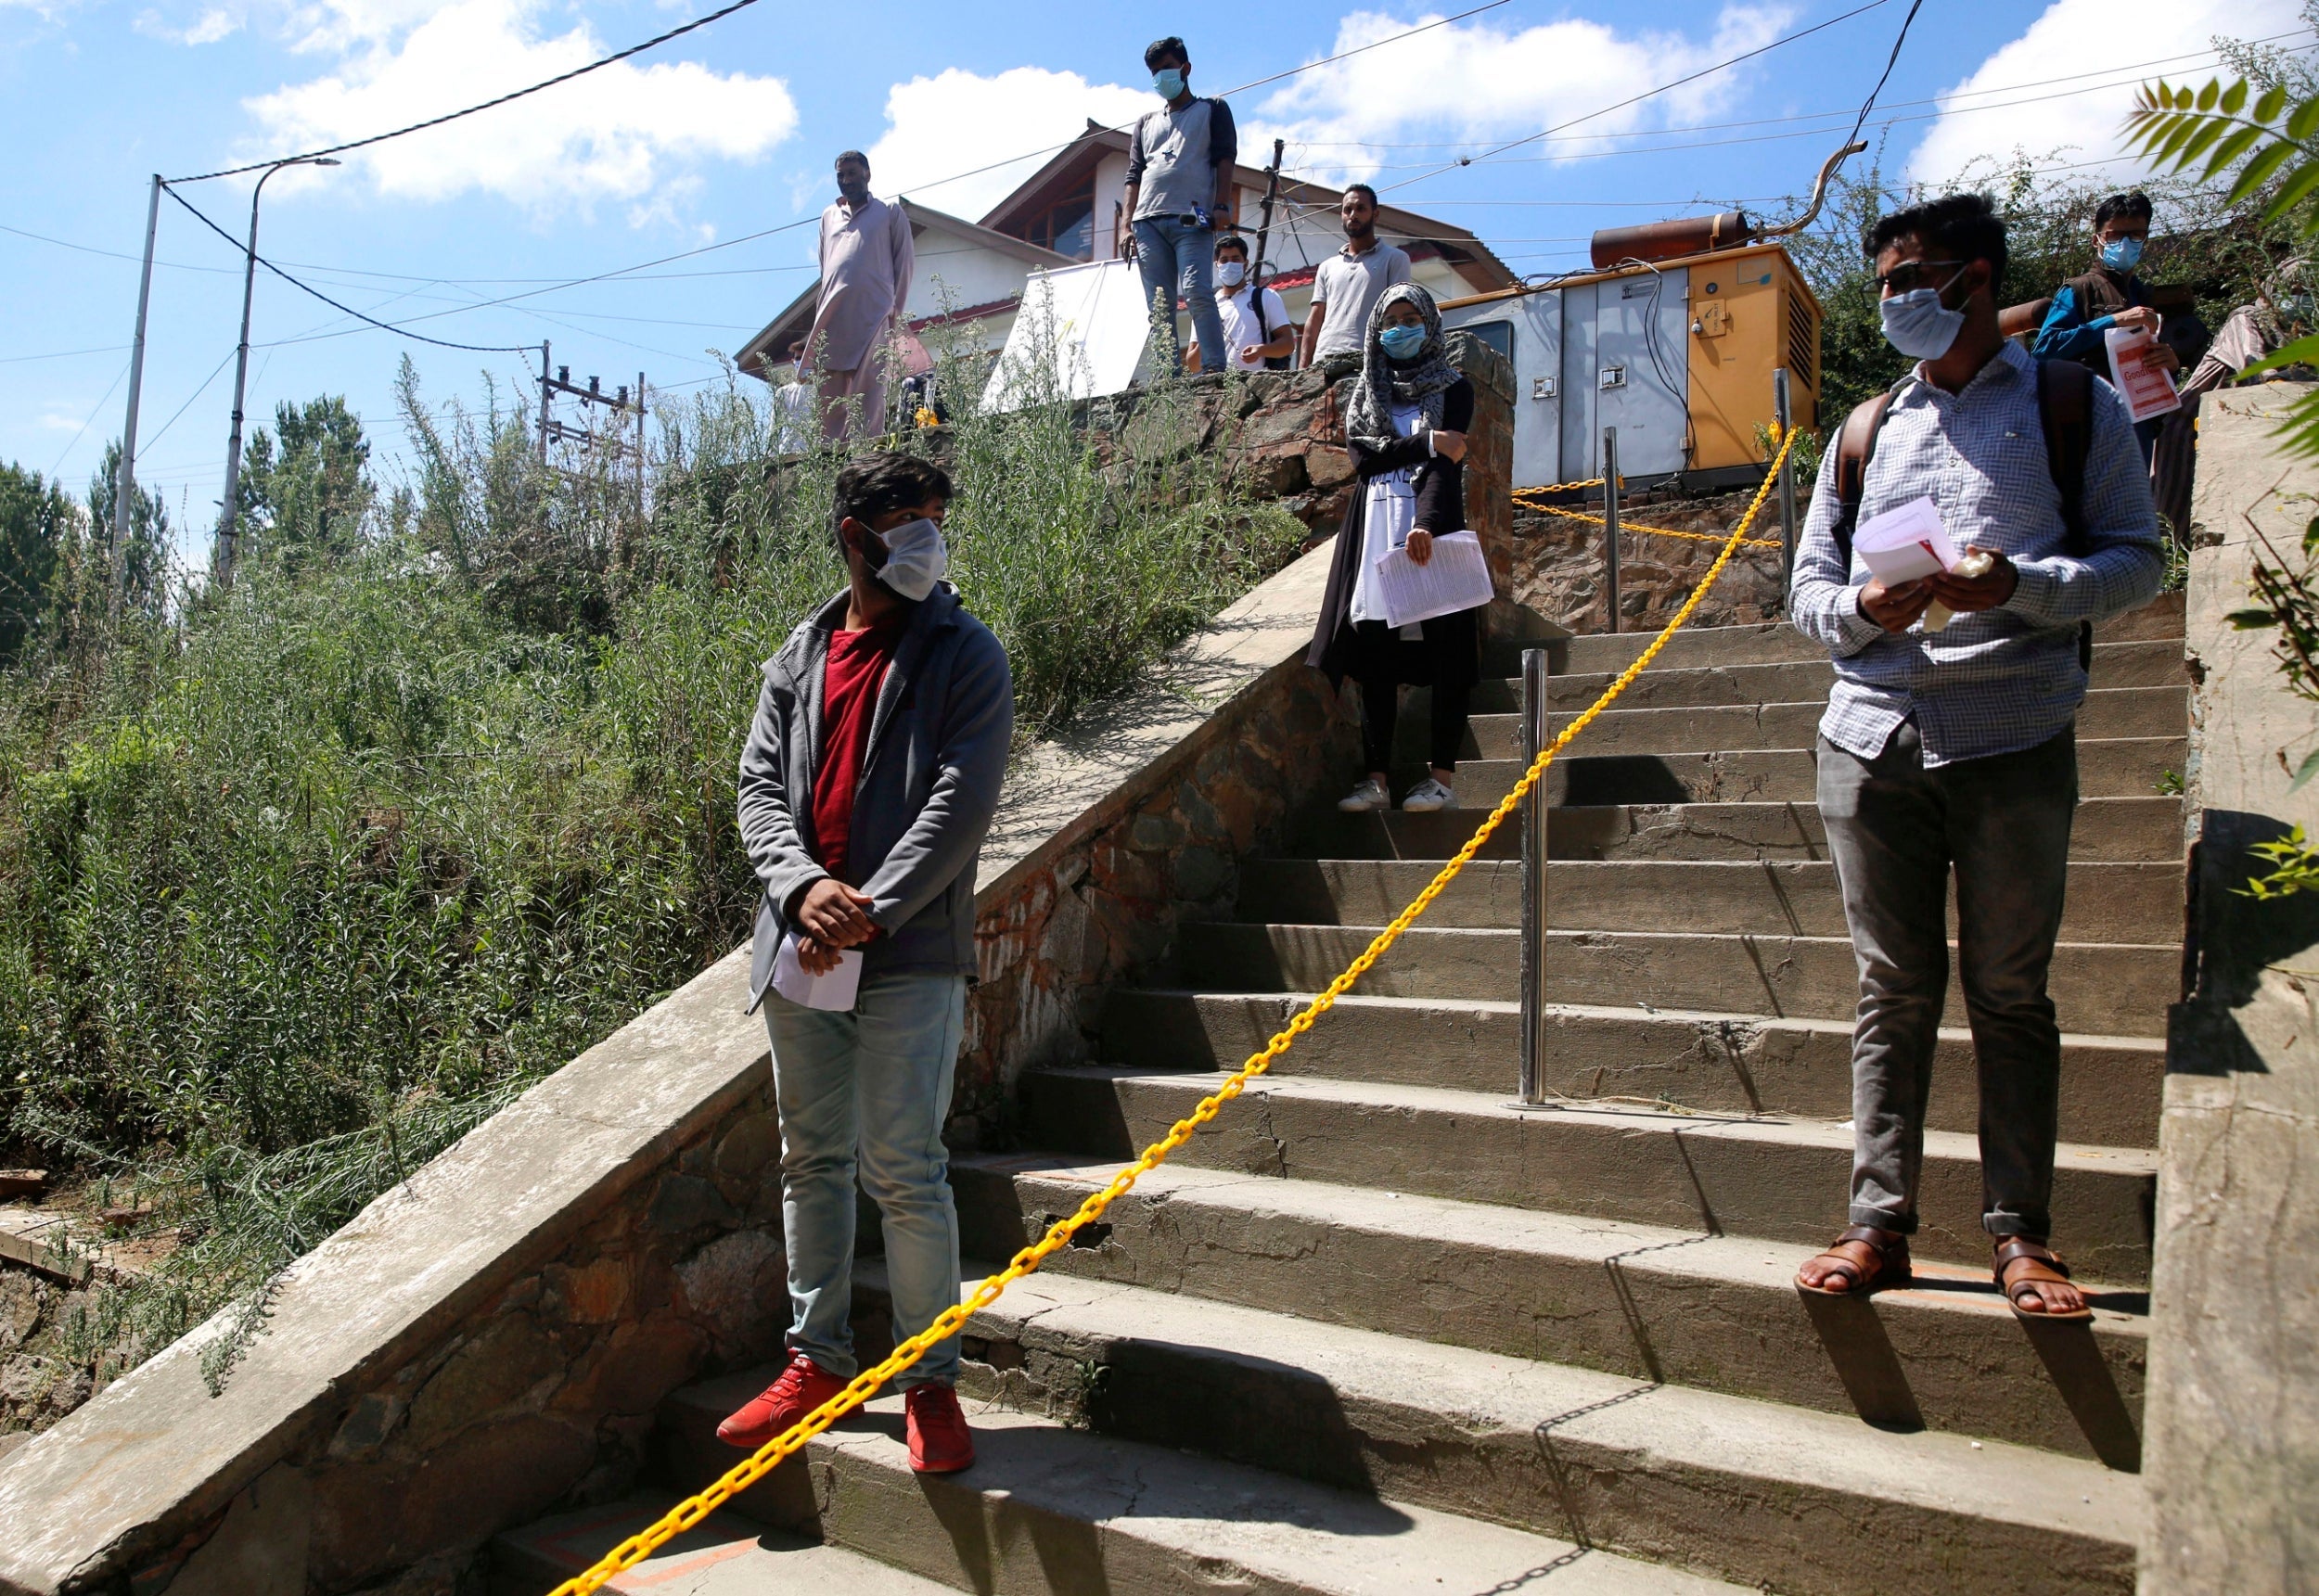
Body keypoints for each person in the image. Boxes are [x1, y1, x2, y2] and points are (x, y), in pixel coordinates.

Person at [1788, 193, 2164, 1320]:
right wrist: (1866, 604)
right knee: (1889, 990)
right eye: (1885, 281)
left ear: (1980, 277)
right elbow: (1804, 593)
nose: (1898, 297)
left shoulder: (2070, 402)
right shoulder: (1860, 430)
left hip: (2014, 735)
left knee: (2008, 991)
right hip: (1868, 738)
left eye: (1917, 275)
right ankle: (1877, 1223)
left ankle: (2020, 1237)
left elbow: (2137, 561)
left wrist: (2020, 586)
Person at [724, 452, 1013, 1474]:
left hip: (906, 955)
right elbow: (757, 790)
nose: (929, 534)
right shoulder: (797, 657)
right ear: (854, 534)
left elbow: (958, 804)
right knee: (812, 1161)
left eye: (938, 514)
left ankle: (929, 1378)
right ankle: (818, 1360)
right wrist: (803, 890)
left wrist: (867, 910)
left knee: (905, 1167)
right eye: (908, 518)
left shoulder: (966, 653)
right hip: (799, 948)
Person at [1307, 283, 1477, 815]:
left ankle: (1441, 779)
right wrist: (1427, 441)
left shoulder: (1455, 389)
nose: (1400, 329)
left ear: (1429, 323)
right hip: (1376, 529)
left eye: (1412, 317)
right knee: (1376, 656)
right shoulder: (1365, 391)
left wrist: (1425, 523)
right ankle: (1376, 780)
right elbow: (1365, 461)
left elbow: (1445, 468)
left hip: (1430, 529)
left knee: (1447, 651)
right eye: (1391, 320)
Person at [2031, 190, 2180, 461]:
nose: (2125, 243)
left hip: (2139, 427)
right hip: (2091, 427)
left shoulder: (2143, 295)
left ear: (2146, 237)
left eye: (2135, 235)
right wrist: (2113, 320)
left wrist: (2169, 363)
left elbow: (2155, 363)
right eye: (2114, 235)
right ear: (2097, 240)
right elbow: (2044, 349)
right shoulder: (2079, 289)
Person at [1122, 36, 1237, 377]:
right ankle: (1168, 376)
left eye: (1167, 69)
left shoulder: (1212, 109)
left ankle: (1215, 368)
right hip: (1147, 223)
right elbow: (1134, 175)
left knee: (1198, 291)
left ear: (1186, 69)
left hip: (1192, 220)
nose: (1161, 78)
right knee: (1159, 305)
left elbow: (1224, 160)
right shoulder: (1145, 123)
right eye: (1155, 72)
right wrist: (1127, 225)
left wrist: (1222, 206)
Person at [807, 151, 914, 442]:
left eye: (852, 173)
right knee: (829, 394)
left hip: (874, 313)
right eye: (841, 175)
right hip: (834, 314)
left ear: (867, 173)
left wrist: (894, 312)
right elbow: (825, 266)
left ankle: (866, 449)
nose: (846, 181)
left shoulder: (889, 212)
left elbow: (904, 265)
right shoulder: (828, 217)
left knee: (869, 388)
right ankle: (829, 456)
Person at [1302, 185, 1412, 380]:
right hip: (1322, 365)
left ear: (1375, 215)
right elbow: (1315, 318)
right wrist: (1302, 370)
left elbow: (1398, 313)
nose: (1353, 215)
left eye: (1361, 209)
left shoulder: (1395, 259)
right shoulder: (1327, 267)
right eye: (1348, 210)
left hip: (1367, 363)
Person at [1186, 234, 1293, 375]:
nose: (1230, 264)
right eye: (1224, 260)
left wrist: (1261, 350)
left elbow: (1287, 344)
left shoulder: (1266, 297)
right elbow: (1192, 365)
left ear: (1245, 263)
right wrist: (1208, 335)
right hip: (1217, 389)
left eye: (1235, 259)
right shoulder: (1206, 308)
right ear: (1217, 265)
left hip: (1257, 386)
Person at [772, 342, 814, 453]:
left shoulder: (823, 391)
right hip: (788, 452)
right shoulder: (783, 393)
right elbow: (774, 429)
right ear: (793, 361)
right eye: (798, 358)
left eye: (805, 358)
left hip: (814, 453)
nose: (801, 362)